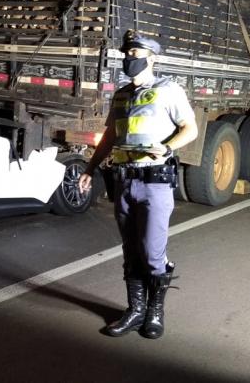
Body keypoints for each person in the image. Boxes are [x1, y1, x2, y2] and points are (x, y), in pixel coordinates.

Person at [78, 30, 198, 339]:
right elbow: (110, 136)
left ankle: (155, 313)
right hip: (125, 182)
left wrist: (168, 147)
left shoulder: (168, 90)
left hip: (155, 183)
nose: (130, 59)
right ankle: (134, 311)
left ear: (152, 58)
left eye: (136, 55)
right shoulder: (120, 94)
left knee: (152, 253)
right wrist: (90, 167)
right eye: (127, 55)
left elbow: (190, 129)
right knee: (131, 251)